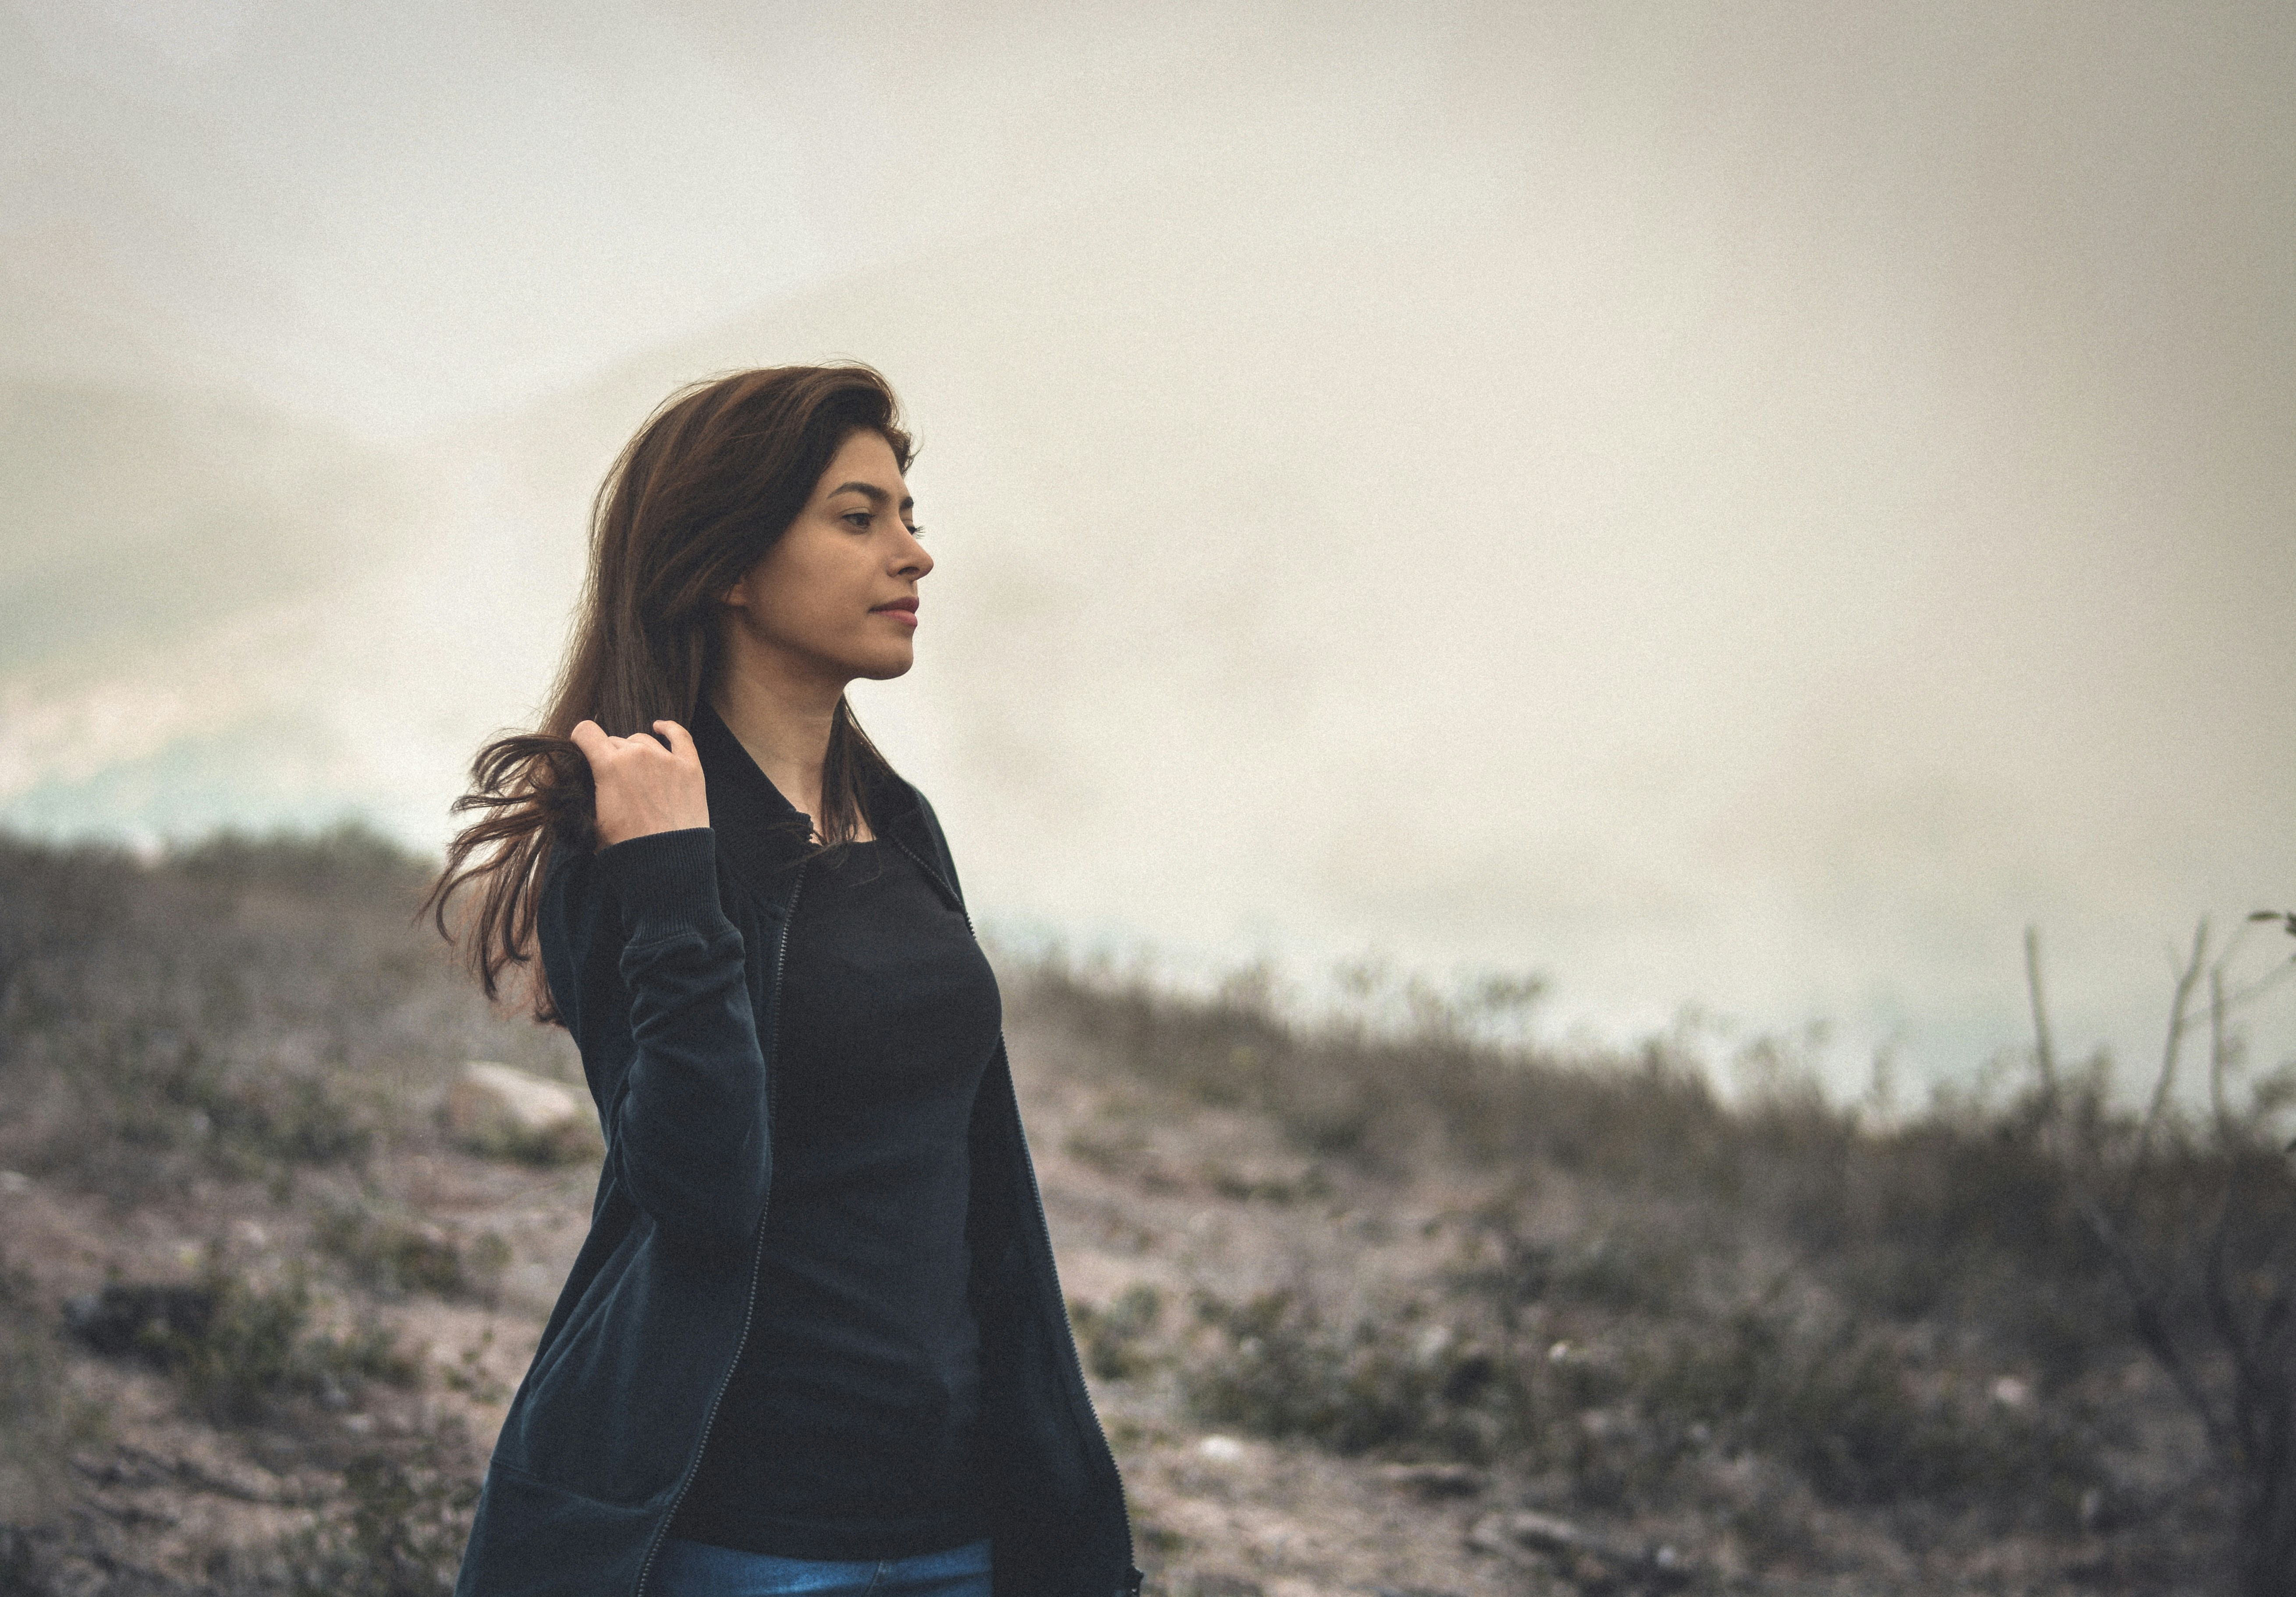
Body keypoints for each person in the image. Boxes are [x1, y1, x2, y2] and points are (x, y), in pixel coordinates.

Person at [426, 365, 1137, 1597]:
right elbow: (705, 1188)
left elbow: (988, 1195)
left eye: (911, 516)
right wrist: (671, 879)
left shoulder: (897, 823)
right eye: (860, 518)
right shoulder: (632, 846)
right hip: (743, 1536)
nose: (915, 555)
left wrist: (1063, 1503)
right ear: (726, 562)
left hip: (958, 1520)